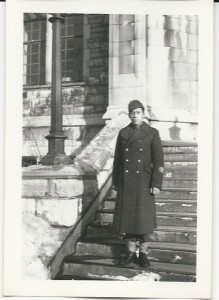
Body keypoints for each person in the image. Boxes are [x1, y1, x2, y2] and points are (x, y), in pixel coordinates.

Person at [112, 100, 164, 267]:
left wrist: (156, 183)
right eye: (132, 113)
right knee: (128, 220)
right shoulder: (123, 133)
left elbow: (158, 160)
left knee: (144, 221)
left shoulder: (152, 132)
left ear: (143, 114)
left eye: (138, 113)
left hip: (144, 181)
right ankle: (129, 252)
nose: (135, 116)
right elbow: (118, 160)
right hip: (126, 182)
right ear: (129, 114)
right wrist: (115, 182)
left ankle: (143, 254)